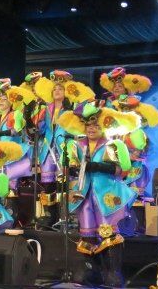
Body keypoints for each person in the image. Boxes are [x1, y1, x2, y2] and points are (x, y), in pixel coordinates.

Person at [57, 101, 140, 287]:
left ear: (103, 126)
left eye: (95, 125)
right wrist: (69, 171)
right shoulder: (76, 145)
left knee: (109, 232)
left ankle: (113, 273)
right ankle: (91, 272)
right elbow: (70, 168)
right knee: (87, 234)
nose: (91, 128)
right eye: (88, 125)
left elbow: (122, 170)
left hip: (106, 195)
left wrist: (97, 166)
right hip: (84, 195)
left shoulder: (112, 145)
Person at [32, 70, 94, 225]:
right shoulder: (46, 108)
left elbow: (83, 120)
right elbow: (39, 127)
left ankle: (67, 215)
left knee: (66, 182)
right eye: (54, 89)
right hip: (48, 148)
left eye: (60, 88)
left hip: (65, 147)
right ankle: (50, 215)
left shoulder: (73, 106)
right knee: (48, 183)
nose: (57, 91)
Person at [112, 94, 158, 196]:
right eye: (123, 110)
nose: (125, 113)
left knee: (133, 195)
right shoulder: (116, 131)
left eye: (129, 110)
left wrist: (125, 157)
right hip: (118, 169)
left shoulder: (138, 133)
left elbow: (136, 154)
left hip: (133, 169)